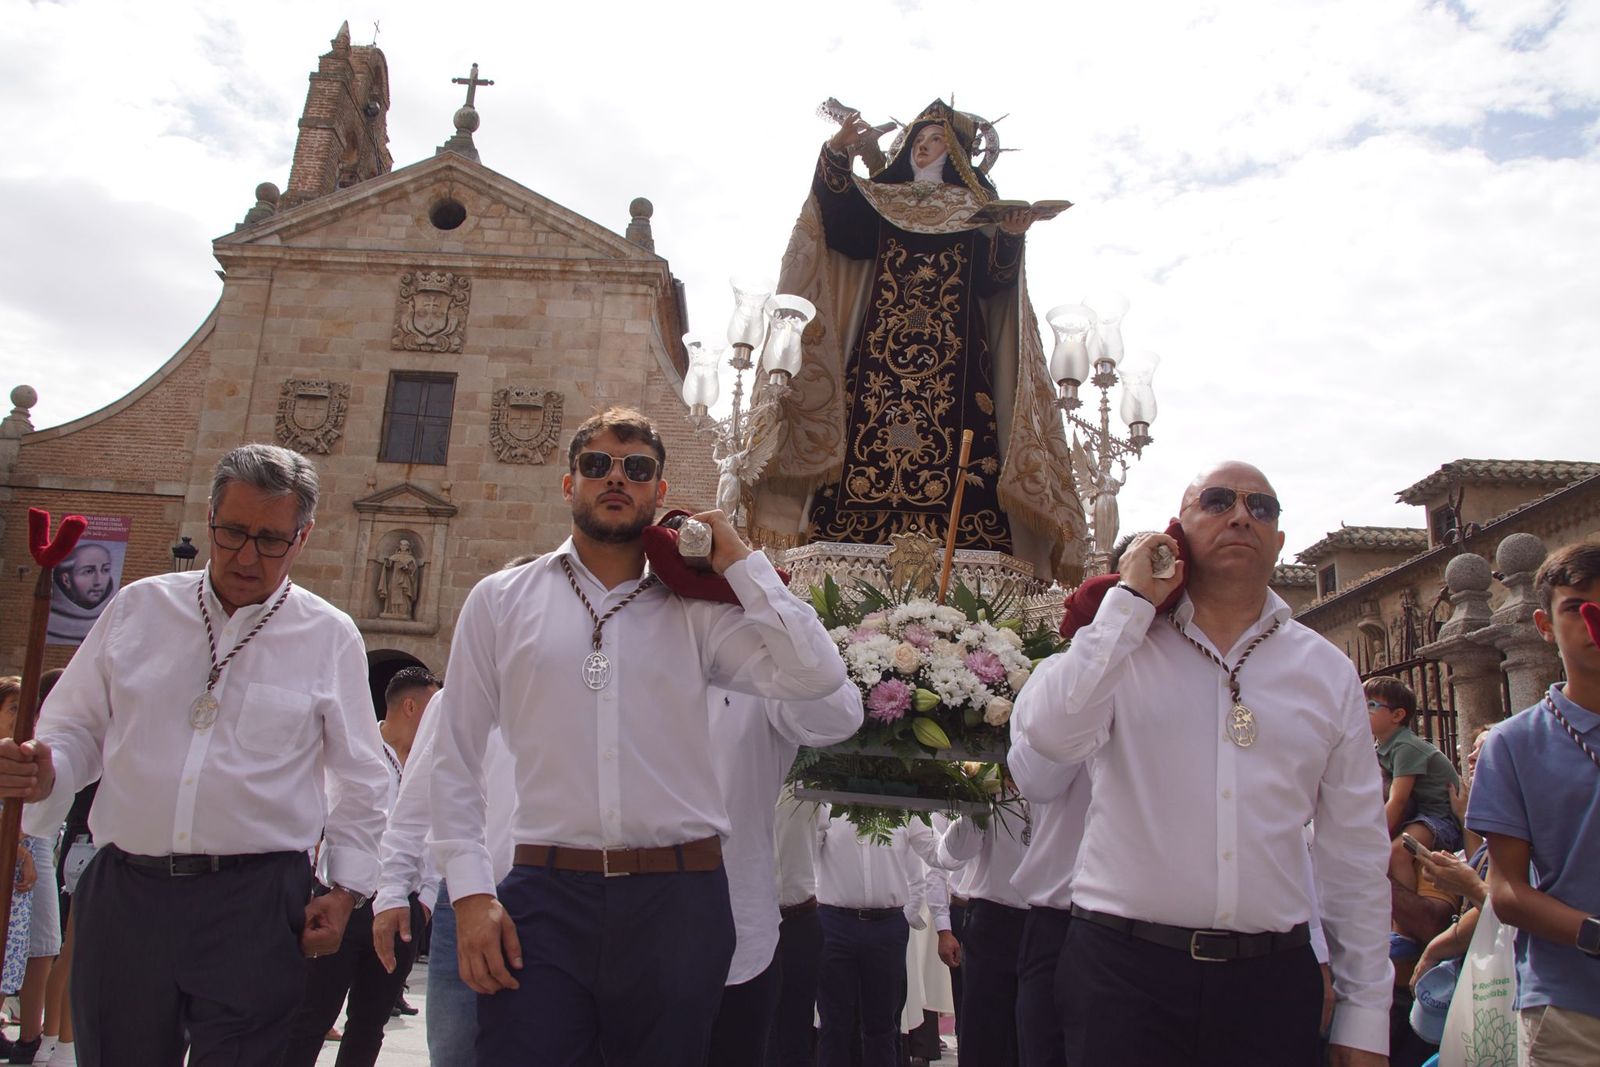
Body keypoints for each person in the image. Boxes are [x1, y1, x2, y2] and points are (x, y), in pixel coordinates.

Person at [431, 407, 848, 1065]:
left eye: (637, 468)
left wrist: (740, 562)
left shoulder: (699, 613)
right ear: (570, 485)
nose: (615, 478)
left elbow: (817, 673)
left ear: (660, 489)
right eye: (596, 464)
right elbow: (452, 758)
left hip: (677, 900)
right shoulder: (500, 600)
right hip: (545, 888)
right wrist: (472, 891)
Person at [0, 443, 391, 1067]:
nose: (246, 556)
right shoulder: (138, 609)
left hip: (256, 905)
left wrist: (346, 889)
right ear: (209, 519)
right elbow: (74, 729)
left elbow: (362, 776)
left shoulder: (328, 635)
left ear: (303, 536)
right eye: (232, 532)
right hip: (127, 894)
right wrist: (47, 770)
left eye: (271, 540)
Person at [1011, 461, 1393, 1066]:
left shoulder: (1325, 672)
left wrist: (1366, 1014)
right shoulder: (1122, 645)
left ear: (1279, 540)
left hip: (1271, 983)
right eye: (1218, 501)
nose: (1242, 515)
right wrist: (1131, 601)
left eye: (1261, 507)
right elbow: (1050, 740)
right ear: (1178, 531)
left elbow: (1356, 852)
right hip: (1123, 975)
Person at [747, 98, 1085, 584]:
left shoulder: (973, 208)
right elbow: (840, 225)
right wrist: (835, 154)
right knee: (866, 428)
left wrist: (1010, 237)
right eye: (920, 141)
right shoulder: (886, 201)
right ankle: (849, 528)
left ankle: (965, 534)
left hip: (959, 355)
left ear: (957, 156)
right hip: (880, 353)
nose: (926, 149)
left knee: (965, 439)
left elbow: (994, 283)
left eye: (938, 143)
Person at [1467, 540, 1600, 1060]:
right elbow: (1506, 891)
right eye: (1577, 607)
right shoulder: (1512, 744)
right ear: (1545, 626)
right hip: (1571, 1014)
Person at [280, 666, 440, 1067]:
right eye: (433, 708)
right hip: (346, 902)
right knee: (311, 1018)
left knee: (369, 1025)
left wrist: (426, 900)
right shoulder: (355, 749)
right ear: (410, 706)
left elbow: (438, 830)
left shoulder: (428, 764)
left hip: (403, 906)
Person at [705, 684, 863, 1066]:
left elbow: (839, 715)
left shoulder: (761, 676)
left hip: (774, 923)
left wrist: (787, 623)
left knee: (788, 1038)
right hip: (653, 920)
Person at [812, 808, 944, 1067]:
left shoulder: (902, 803)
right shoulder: (827, 801)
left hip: (887, 927)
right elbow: (806, 853)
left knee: (883, 1027)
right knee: (834, 1026)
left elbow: (935, 854)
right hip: (835, 925)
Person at [1004, 732, 1092, 1067]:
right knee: (1045, 1050)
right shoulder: (1050, 691)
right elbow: (1037, 781)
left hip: (1142, 924)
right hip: (1058, 914)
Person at [933, 797, 1031, 1066]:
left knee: (1038, 1036)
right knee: (983, 1036)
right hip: (992, 919)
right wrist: (975, 800)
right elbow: (950, 856)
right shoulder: (987, 783)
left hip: (1049, 919)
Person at [1367, 675, 1461, 891]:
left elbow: (1398, 800)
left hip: (1439, 819)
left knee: (1397, 853)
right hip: (1418, 816)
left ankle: (1409, 918)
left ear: (1397, 715)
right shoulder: (1382, 747)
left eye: (1371, 705)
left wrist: (1372, 836)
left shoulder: (1405, 747)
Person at [767, 787, 826, 1067]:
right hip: (754, 921)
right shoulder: (740, 779)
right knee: (752, 1021)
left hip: (800, 919)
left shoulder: (810, 781)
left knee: (797, 1024)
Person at [45, 546, 116, 645]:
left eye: (105, 570)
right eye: (88, 571)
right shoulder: (46, 622)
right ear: (66, 580)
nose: (98, 581)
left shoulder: (113, 621)